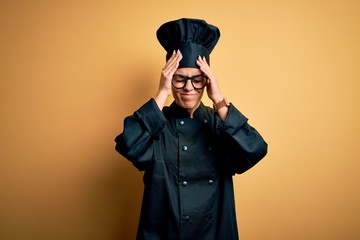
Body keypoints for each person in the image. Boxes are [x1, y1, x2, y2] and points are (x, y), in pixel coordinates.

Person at [115, 18, 268, 240]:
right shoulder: (158, 125)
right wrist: (161, 93)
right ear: (169, 79)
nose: (188, 87)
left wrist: (218, 100)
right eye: (179, 79)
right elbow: (128, 144)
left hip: (214, 233)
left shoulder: (219, 123)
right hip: (163, 233)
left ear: (207, 81)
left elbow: (255, 149)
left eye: (197, 80)